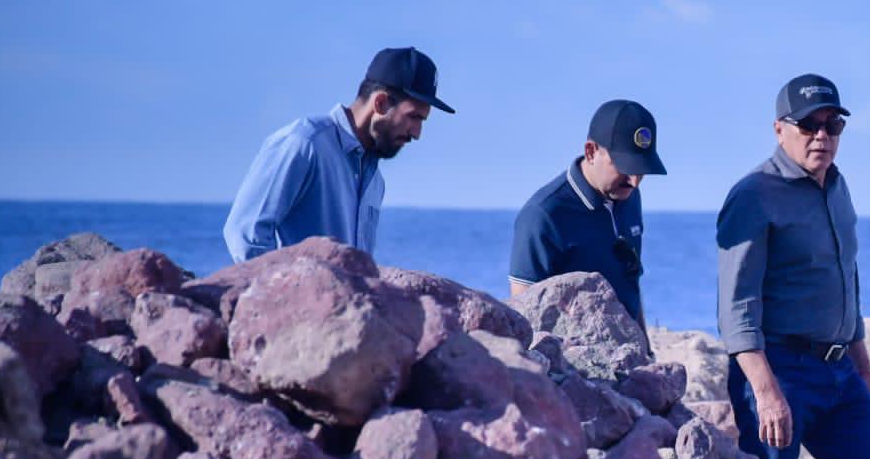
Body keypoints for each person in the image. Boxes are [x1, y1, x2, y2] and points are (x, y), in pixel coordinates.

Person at [716, 73, 870, 459]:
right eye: (808, 125)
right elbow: (737, 305)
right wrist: (767, 393)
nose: (821, 136)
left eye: (832, 125)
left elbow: (846, 280)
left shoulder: (838, 186)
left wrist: (866, 373)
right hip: (781, 372)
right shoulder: (753, 196)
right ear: (780, 129)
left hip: (841, 372)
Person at [223, 47, 455, 262]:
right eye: (413, 117)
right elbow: (245, 232)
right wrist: (282, 297)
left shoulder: (375, 180)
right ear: (381, 103)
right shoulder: (304, 143)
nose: (417, 134)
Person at [508, 100, 666, 327]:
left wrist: (646, 348)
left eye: (641, 169)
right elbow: (523, 311)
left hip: (628, 353)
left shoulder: (629, 195)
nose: (635, 181)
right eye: (624, 166)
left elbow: (631, 279)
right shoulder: (543, 215)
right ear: (591, 151)